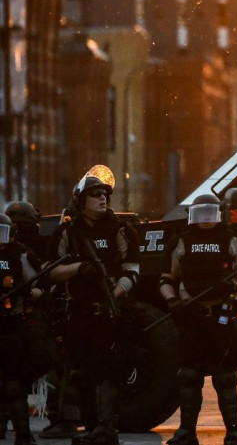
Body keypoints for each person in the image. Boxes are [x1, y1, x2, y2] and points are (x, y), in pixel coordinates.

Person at [46, 167, 140, 445]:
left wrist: (117, 291)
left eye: (106, 194)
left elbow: (132, 269)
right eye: (96, 194)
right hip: (79, 313)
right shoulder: (68, 231)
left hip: (109, 313)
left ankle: (107, 429)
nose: (103, 199)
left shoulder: (121, 230)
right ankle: (89, 429)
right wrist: (80, 268)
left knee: (108, 372)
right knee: (81, 372)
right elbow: (51, 270)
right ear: (81, 199)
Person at [159, 193, 237, 445]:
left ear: (219, 215)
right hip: (191, 316)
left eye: (209, 213)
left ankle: (233, 432)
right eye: (200, 213)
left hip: (222, 315)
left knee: (225, 376)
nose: (205, 219)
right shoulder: (180, 242)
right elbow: (167, 280)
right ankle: (186, 431)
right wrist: (172, 302)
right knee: (189, 375)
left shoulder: (233, 240)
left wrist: (234, 290)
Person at [5, 201, 81, 439]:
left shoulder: (15, 249)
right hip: (40, 318)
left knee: (9, 375)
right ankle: (61, 418)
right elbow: (47, 282)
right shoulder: (37, 246)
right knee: (54, 366)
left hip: (13, 319)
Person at [0, 213, 44, 445]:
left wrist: (24, 294)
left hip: (11, 323)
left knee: (15, 384)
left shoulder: (20, 253)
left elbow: (40, 287)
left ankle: (23, 435)